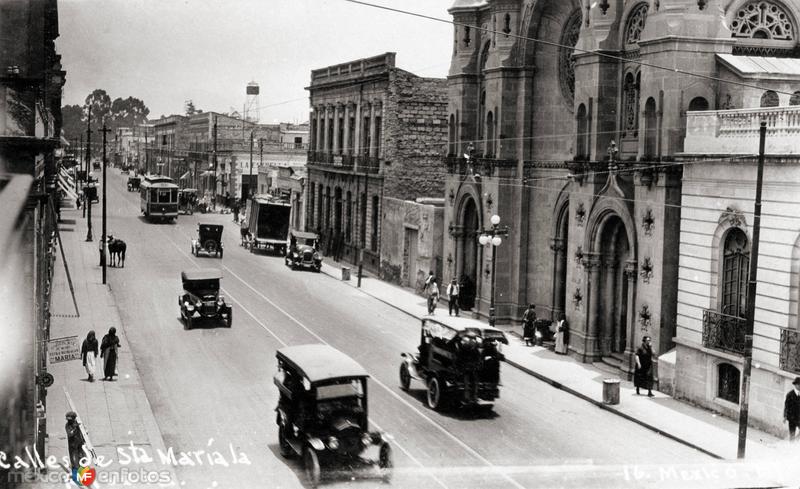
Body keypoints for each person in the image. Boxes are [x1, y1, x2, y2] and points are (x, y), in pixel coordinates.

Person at [784, 377, 800, 441]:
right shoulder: (790, 394)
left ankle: (796, 440)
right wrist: (785, 416)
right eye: (799, 385)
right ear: (795, 385)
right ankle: (791, 447)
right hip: (792, 418)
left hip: (799, 418)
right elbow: (786, 406)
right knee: (792, 434)